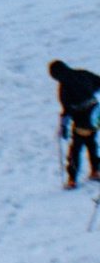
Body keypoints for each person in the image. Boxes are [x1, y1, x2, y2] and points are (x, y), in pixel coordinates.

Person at [52, 57, 100, 185]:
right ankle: (96, 171)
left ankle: (72, 179)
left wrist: (64, 127)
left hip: (81, 120)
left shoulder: (64, 86)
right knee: (91, 143)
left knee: (76, 149)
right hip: (96, 115)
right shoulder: (82, 74)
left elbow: (67, 109)